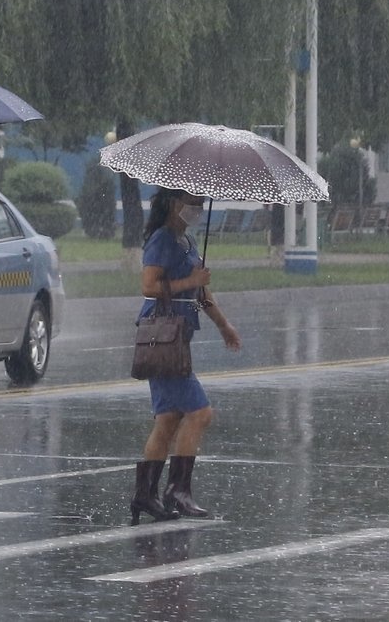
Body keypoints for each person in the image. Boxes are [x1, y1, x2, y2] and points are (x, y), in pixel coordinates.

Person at [130, 188, 242, 525]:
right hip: (163, 338)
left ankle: (145, 494)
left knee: (167, 420)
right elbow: (149, 286)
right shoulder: (162, 239)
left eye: (200, 203)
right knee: (200, 413)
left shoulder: (188, 243)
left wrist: (224, 326)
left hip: (177, 338)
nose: (197, 209)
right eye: (191, 203)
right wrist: (189, 281)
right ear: (172, 204)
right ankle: (177, 491)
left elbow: (203, 294)